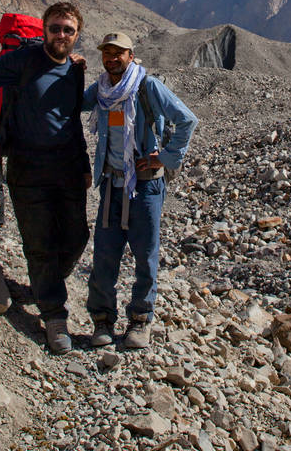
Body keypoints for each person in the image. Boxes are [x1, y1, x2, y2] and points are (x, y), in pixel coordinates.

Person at [0, 2, 90, 354]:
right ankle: (54, 316)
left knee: (77, 237)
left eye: (68, 30)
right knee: (40, 245)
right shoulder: (23, 61)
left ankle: (44, 285)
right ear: (43, 30)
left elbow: (72, 122)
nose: (61, 35)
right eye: (55, 28)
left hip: (67, 170)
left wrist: (83, 165)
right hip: (27, 170)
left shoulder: (75, 70)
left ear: (77, 35)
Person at [83, 31, 197, 349]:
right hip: (111, 185)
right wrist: (67, 69)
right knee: (104, 257)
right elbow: (76, 103)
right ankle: (102, 321)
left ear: (131, 56)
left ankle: (140, 320)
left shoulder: (147, 87)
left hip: (145, 187)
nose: (112, 57)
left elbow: (187, 120)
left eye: (119, 52)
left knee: (145, 258)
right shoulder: (103, 89)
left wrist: (166, 157)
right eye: (107, 52)